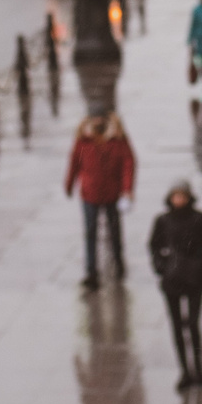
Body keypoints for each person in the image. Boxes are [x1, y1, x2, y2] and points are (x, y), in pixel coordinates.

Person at [150, 183, 202, 390]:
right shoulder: (163, 220)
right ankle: (185, 371)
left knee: (194, 324)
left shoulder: (200, 219)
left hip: (194, 279)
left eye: (182, 196)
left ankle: (198, 367)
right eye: (175, 196)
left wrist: (200, 266)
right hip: (172, 280)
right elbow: (154, 246)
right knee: (177, 326)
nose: (178, 200)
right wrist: (162, 267)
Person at [64, 114, 135, 290]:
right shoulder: (83, 141)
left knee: (114, 230)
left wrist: (127, 190)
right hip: (90, 194)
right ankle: (91, 271)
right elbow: (74, 163)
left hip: (112, 193)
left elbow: (128, 164)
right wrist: (69, 183)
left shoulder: (118, 141)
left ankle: (118, 263)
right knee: (90, 233)